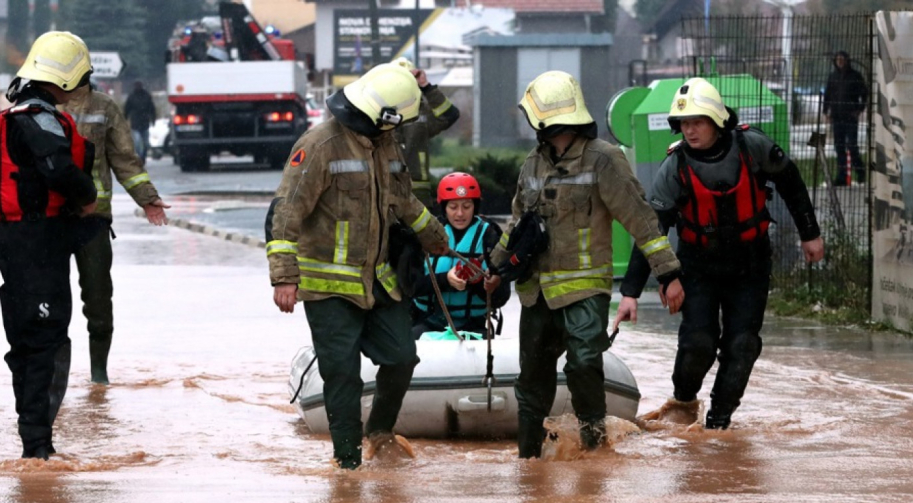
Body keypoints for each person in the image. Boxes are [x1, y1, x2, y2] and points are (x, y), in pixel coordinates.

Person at [488, 70, 684, 458]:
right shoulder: (532, 164)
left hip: (583, 290)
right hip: (536, 293)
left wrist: (669, 272)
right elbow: (516, 225)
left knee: (583, 363)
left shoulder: (604, 159)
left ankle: (594, 451)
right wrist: (495, 268)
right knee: (531, 383)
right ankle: (527, 462)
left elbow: (641, 219)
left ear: (544, 118)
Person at [266, 62, 450, 470]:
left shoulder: (387, 143)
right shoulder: (317, 146)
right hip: (328, 288)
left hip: (381, 282)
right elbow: (286, 213)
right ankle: (347, 463)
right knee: (342, 374)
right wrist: (284, 277)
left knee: (402, 357)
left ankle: (380, 432)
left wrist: (437, 239)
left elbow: (404, 202)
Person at [613, 78, 824, 430]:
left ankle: (718, 424)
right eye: (684, 124)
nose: (690, 130)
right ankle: (682, 403)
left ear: (716, 119)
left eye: (697, 122)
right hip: (698, 266)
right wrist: (641, 288)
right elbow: (653, 232)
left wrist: (810, 234)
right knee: (699, 341)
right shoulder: (675, 167)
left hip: (750, 264)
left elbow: (791, 182)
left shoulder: (752, 146)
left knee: (743, 344)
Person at [0, 60, 170, 386]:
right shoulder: (33, 109)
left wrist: (147, 197)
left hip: (93, 219)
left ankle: (98, 376)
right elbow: (9, 162)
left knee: (98, 301)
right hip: (49, 220)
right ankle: (49, 380)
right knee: (48, 306)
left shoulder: (104, 107)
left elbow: (125, 158)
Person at [0, 31, 98, 460]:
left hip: (20, 240)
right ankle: (37, 449)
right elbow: (57, 168)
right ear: (63, 79)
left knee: (28, 339)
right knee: (42, 340)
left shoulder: (19, 114)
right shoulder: (38, 118)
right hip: (36, 242)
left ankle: (35, 442)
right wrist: (87, 195)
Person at [410, 171, 510, 338]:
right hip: (428, 322)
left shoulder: (490, 236)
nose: (460, 214)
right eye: (453, 207)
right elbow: (411, 287)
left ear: (475, 206)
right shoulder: (426, 234)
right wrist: (445, 280)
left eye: (466, 206)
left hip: (474, 325)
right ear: (444, 207)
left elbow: (501, 297)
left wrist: (478, 283)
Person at [393, 59, 461, 205]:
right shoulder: (376, 112)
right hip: (386, 189)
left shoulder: (421, 113)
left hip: (418, 191)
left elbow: (450, 115)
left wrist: (427, 87)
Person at [823, 51, 867, 186]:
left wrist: (859, 109)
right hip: (837, 117)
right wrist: (826, 111)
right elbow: (828, 95)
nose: (840, 62)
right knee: (839, 147)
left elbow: (864, 94)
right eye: (838, 59)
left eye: (842, 59)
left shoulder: (855, 76)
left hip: (850, 117)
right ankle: (841, 177)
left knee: (852, 146)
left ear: (847, 60)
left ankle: (860, 172)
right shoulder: (832, 77)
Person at [124, 81, 156, 164]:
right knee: (137, 143)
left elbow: (152, 108)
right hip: (135, 123)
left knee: (146, 143)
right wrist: (124, 119)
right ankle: (139, 157)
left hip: (145, 123)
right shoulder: (132, 96)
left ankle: (143, 156)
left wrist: (153, 119)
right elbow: (127, 109)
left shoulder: (146, 96)